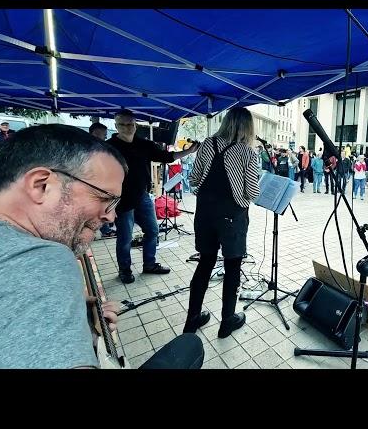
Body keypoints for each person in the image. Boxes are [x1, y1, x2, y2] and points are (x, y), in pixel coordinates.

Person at [0, 124, 204, 368]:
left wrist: (76, 320)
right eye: (105, 199)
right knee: (190, 346)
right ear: (41, 185)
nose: (111, 216)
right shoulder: (39, 259)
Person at [183, 106, 260, 339]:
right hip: (232, 216)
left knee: (204, 264)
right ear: (247, 127)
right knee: (232, 267)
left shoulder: (207, 143)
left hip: (204, 213)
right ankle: (227, 322)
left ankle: (192, 320)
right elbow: (253, 192)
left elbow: (193, 179)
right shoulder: (248, 153)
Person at [107, 109, 199, 284]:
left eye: (131, 124)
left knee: (152, 231)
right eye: (123, 125)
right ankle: (124, 269)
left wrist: (187, 152)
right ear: (116, 126)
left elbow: (167, 157)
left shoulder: (144, 144)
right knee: (125, 237)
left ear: (136, 125)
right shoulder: (109, 147)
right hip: (122, 199)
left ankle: (149, 264)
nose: (127, 128)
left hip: (142, 196)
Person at [87, 122, 116, 238]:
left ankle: (104, 229)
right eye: (101, 134)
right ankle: (102, 230)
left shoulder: (103, 148)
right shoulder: (88, 148)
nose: (104, 137)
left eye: (104, 135)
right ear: (93, 133)